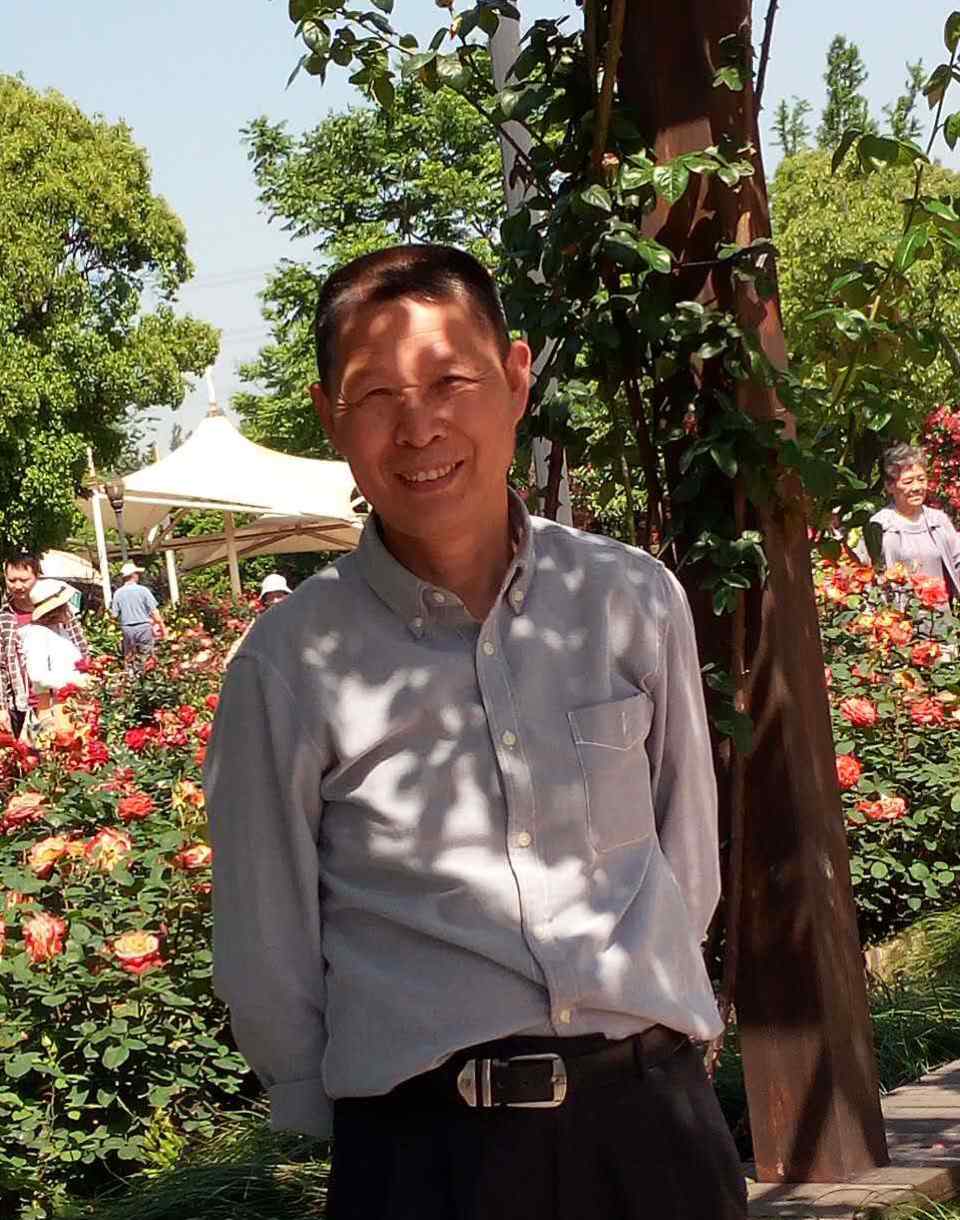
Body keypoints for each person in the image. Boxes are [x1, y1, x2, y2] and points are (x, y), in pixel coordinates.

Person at [206, 246, 745, 1220]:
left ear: (515, 378)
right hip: (429, 1159)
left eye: (450, 381)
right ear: (330, 415)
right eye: (376, 394)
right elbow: (266, 934)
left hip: (654, 1131)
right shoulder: (289, 664)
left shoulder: (629, 600)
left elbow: (687, 856)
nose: (418, 427)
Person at [0, 552, 89, 739]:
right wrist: (1, 708)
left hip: (65, 700)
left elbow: (81, 648)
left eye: (24, 580)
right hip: (22, 702)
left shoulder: (60, 609)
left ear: (37, 576)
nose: (18, 586)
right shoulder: (5, 616)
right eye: (12, 580)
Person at [864, 443, 960, 598]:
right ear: (889, 486)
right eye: (908, 482)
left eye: (921, 479)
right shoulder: (880, 526)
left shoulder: (938, 521)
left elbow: (957, 562)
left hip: (941, 611)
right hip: (898, 612)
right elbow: (867, 574)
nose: (917, 487)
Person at [19, 580, 89, 738]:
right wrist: (75, 681)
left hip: (70, 706)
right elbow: (38, 676)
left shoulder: (59, 630)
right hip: (54, 710)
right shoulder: (36, 635)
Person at [224, 574, 293, 666]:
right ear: (265, 601)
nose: (275, 600)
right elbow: (243, 641)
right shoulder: (261, 620)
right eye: (270, 597)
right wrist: (230, 659)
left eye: (279, 596)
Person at [110, 561, 165, 661]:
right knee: (146, 656)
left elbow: (114, 615)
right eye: (137, 574)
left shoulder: (118, 593)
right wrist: (162, 627)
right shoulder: (143, 590)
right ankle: (143, 669)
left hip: (127, 629)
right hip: (143, 627)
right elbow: (154, 612)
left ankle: (130, 670)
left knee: (129, 656)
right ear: (134, 575)